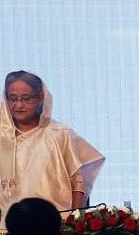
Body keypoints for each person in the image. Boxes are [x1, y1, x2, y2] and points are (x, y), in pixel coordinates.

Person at [0, 71, 104, 213]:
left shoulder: (59, 134)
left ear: (40, 97)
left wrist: (74, 222)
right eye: (13, 99)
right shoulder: (2, 137)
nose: (18, 105)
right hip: (7, 226)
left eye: (25, 99)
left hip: (55, 223)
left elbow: (78, 182)